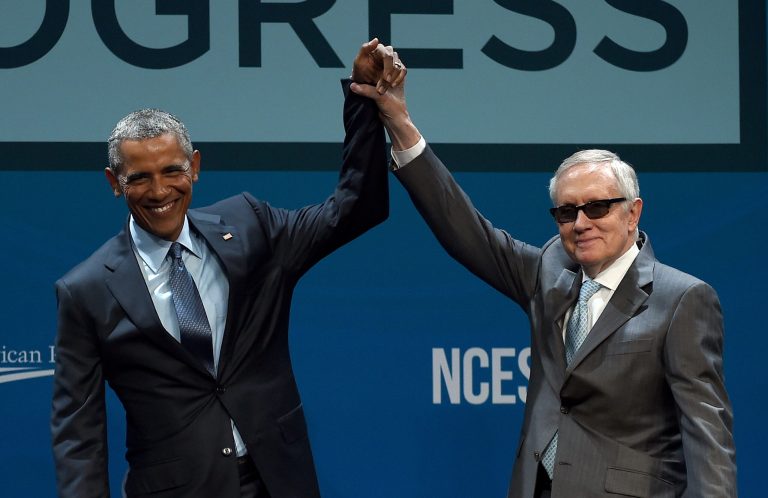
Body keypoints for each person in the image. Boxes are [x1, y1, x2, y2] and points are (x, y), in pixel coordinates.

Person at [51, 39, 406, 498]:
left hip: (278, 480)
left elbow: (356, 207)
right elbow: (78, 438)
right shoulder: (87, 290)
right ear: (114, 184)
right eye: (138, 177)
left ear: (194, 167)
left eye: (172, 171)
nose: (159, 191)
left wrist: (362, 99)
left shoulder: (249, 226)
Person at [350, 76, 737, 496]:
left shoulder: (682, 298)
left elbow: (706, 432)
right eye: (567, 212)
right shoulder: (549, 272)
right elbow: (463, 226)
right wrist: (400, 122)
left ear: (633, 213)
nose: (581, 223)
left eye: (597, 207)